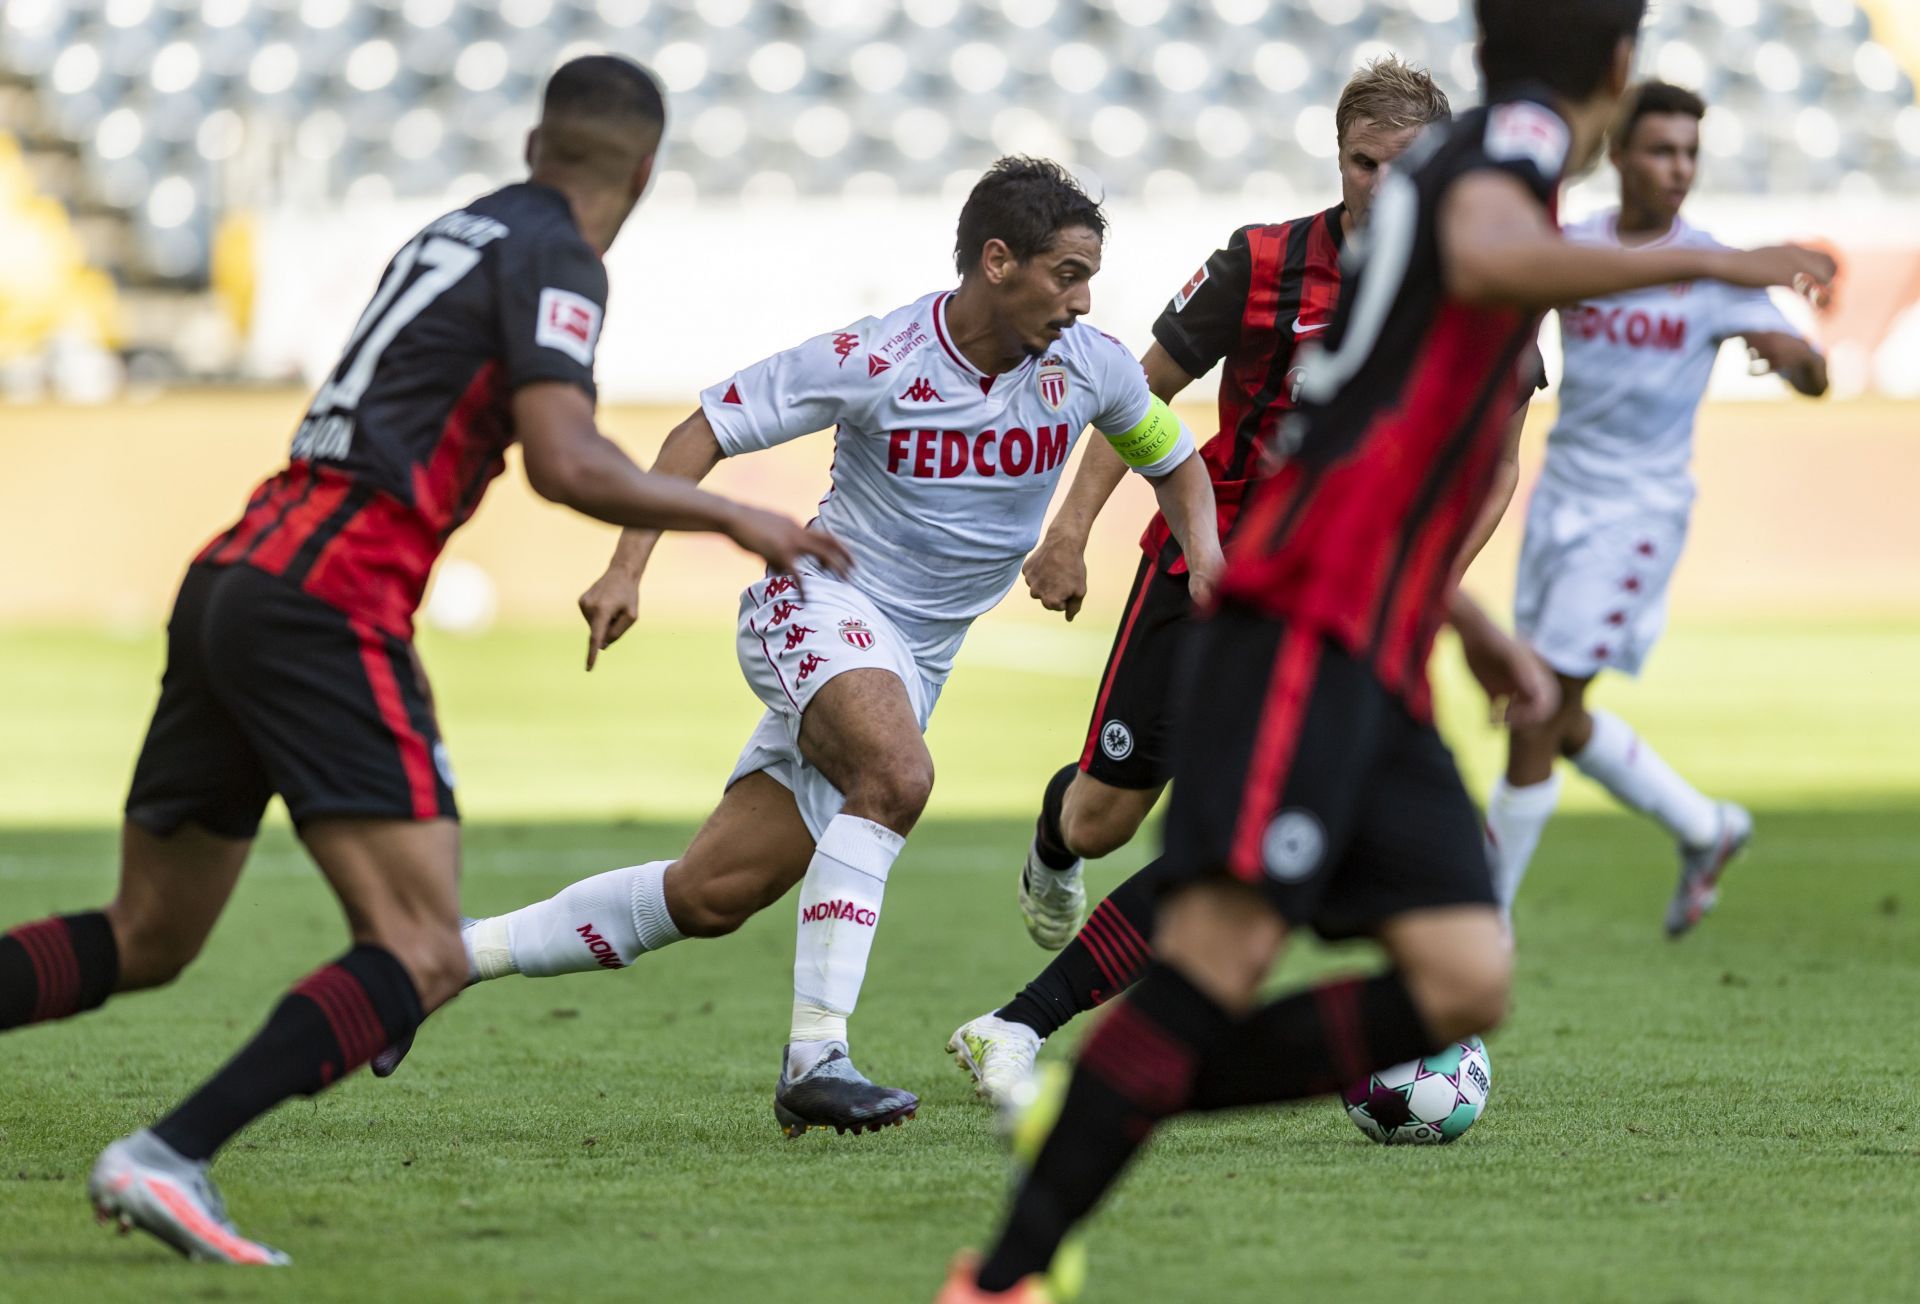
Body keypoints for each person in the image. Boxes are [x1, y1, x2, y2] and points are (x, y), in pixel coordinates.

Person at [938, 1, 1836, 1296]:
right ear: (1620, 72)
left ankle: (1116, 1091)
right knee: (1217, 953)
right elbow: (1490, 256)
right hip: (1302, 625)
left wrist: (1462, 618)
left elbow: (1376, 436)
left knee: (1467, 978)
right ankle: (1009, 1266)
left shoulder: (1468, 169)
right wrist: (1722, 263)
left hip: (1370, 624)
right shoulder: (1499, 167)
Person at [0, 57, 847, 1264]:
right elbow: (561, 457)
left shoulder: (461, 227)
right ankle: (167, 1155)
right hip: (329, 596)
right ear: (644, 172)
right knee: (423, 947)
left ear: (534, 140)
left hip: (240, 567)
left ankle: (180, 1146)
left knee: (150, 930)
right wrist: (735, 516)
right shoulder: (561, 252)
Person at [423, 157, 1221, 1139]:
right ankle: (818, 1056)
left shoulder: (1088, 364)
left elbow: (1178, 463)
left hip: (910, 660)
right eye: (1067, 272)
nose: (1084, 298)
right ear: (998, 261)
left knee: (711, 891)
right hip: (817, 602)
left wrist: (1201, 559)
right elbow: (702, 427)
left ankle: (444, 957)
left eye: (1090, 276)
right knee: (896, 770)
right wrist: (628, 567)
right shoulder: (880, 355)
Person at [948, 56, 1486, 1108]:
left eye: (1406, 165)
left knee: (1241, 836)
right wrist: (1071, 533)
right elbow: (1137, 394)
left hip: (1331, 604)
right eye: (1362, 163)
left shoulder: (1474, 277)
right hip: (1207, 569)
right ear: (1339, 160)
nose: (1382, 184)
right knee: (1105, 817)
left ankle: (1015, 1027)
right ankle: (1054, 846)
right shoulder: (1263, 263)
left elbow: (1497, 457)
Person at [1485, 80, 1829, 939]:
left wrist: (1794, 362)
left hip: (1637, 514)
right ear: (1622, 156)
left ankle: (1479, 927)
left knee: (1532, 709)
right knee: (1557, 721)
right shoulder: (1581, 246)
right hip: (1560, 495)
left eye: (1689, 153)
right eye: (1661, 149)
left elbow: (1807, 364)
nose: (1678, 168)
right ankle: (1706, 828)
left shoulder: (1712, 269)